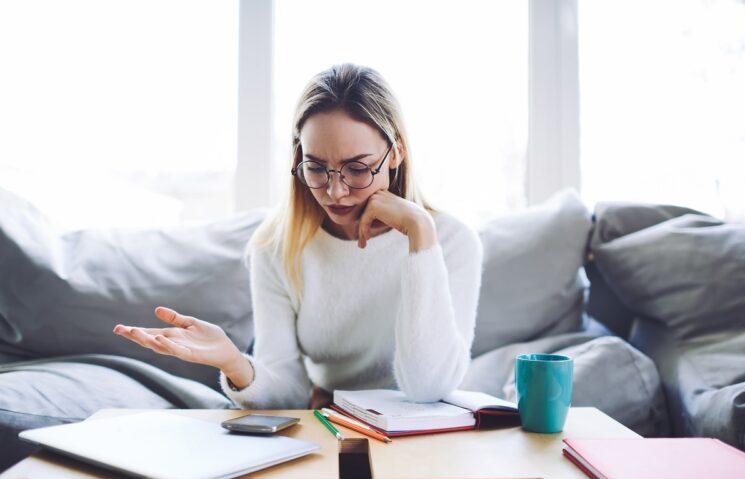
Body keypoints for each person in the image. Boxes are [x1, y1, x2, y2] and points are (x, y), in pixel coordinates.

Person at [113, 63, 482, 410]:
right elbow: (288, 391)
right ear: (297, 158)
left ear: (396, 152)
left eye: (357, 169)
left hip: (426, 434)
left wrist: (420, 237)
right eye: (316, 168)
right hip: (332, 422)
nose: (336, 192)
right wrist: (234, 362)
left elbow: (427, 388)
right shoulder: (277, 247)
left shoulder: (448, 241)